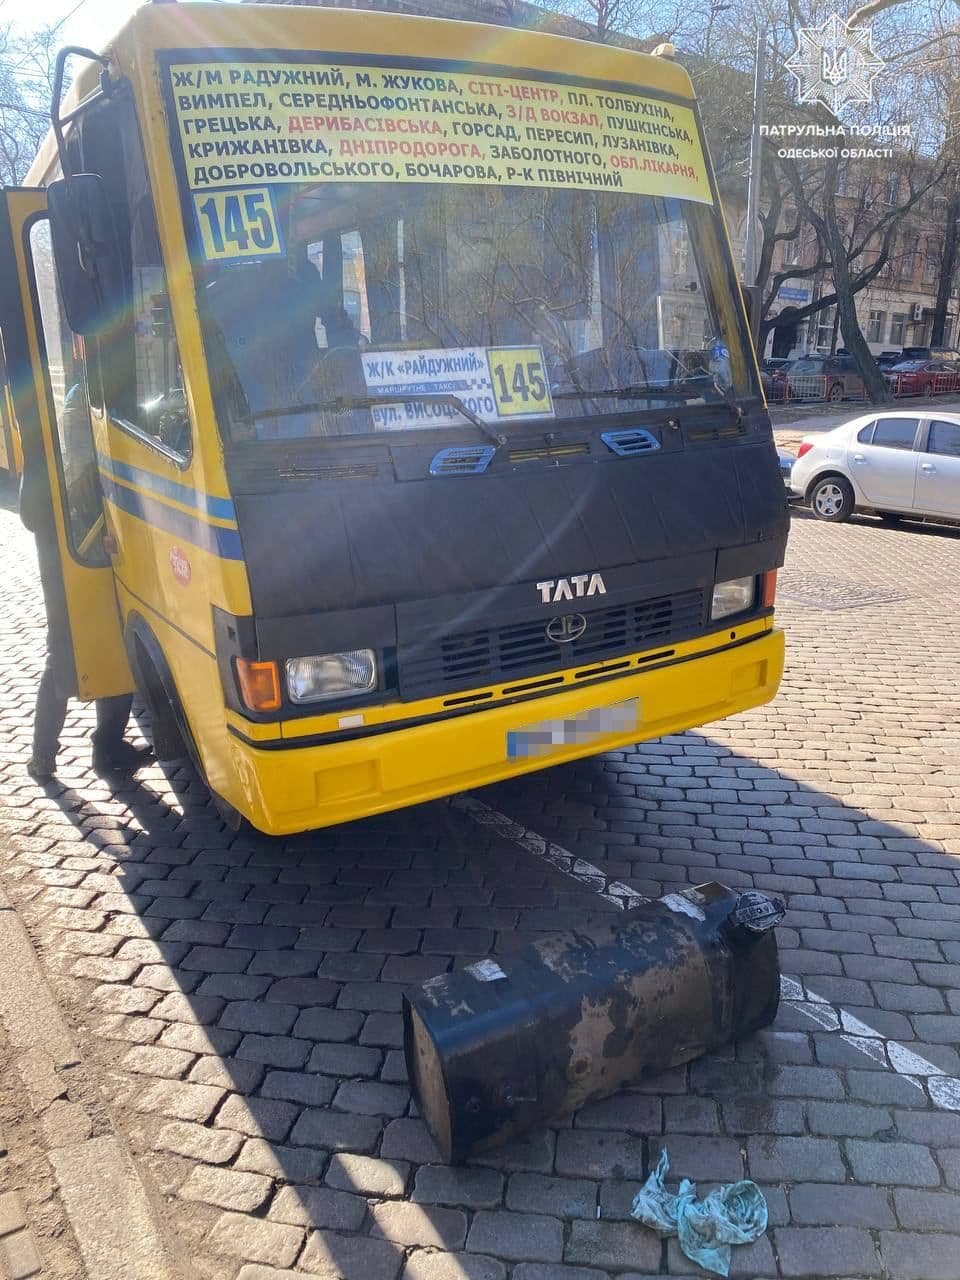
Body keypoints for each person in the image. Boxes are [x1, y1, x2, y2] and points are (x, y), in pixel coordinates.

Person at [19, 381, 152, 780]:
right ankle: (46, 754)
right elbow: (41, 512)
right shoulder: (61, 461)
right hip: (73, 563)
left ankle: (105, 748)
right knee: (67, 655)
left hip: (90, 559)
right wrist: (89, 531)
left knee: (110, 648)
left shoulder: (71, 451)